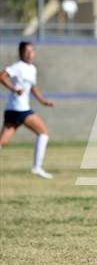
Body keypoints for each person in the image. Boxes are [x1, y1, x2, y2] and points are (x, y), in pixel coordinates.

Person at [0, 41, 54, 179]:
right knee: (43, 133)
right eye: (27, 51)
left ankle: (37, 167)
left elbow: (33, 87)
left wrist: (42, 101)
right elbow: (1, 76)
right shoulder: (18, 67)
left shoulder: (32, 69)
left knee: (2, 142)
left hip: (14, 110)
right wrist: (13, 89)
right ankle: (36, 168)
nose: (30, 54)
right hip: (20, 110)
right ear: (21, 53)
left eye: (32, 51)